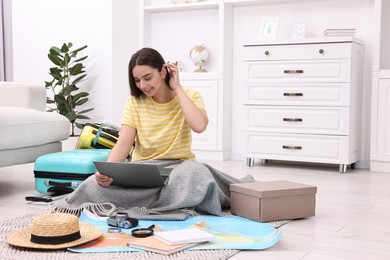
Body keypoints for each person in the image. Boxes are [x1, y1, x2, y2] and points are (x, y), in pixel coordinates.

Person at [96, 47, 208, 187]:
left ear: (162, 71)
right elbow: (123, 144)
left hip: (179, 167)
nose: (142, 85)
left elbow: (199, 126)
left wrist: (177, 88)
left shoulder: (190, 95)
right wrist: (106, 172)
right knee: (91, 184)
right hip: (144, 169)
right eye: (137, 80)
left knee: (194, 178)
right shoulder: (134, 102)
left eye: (148, 78)